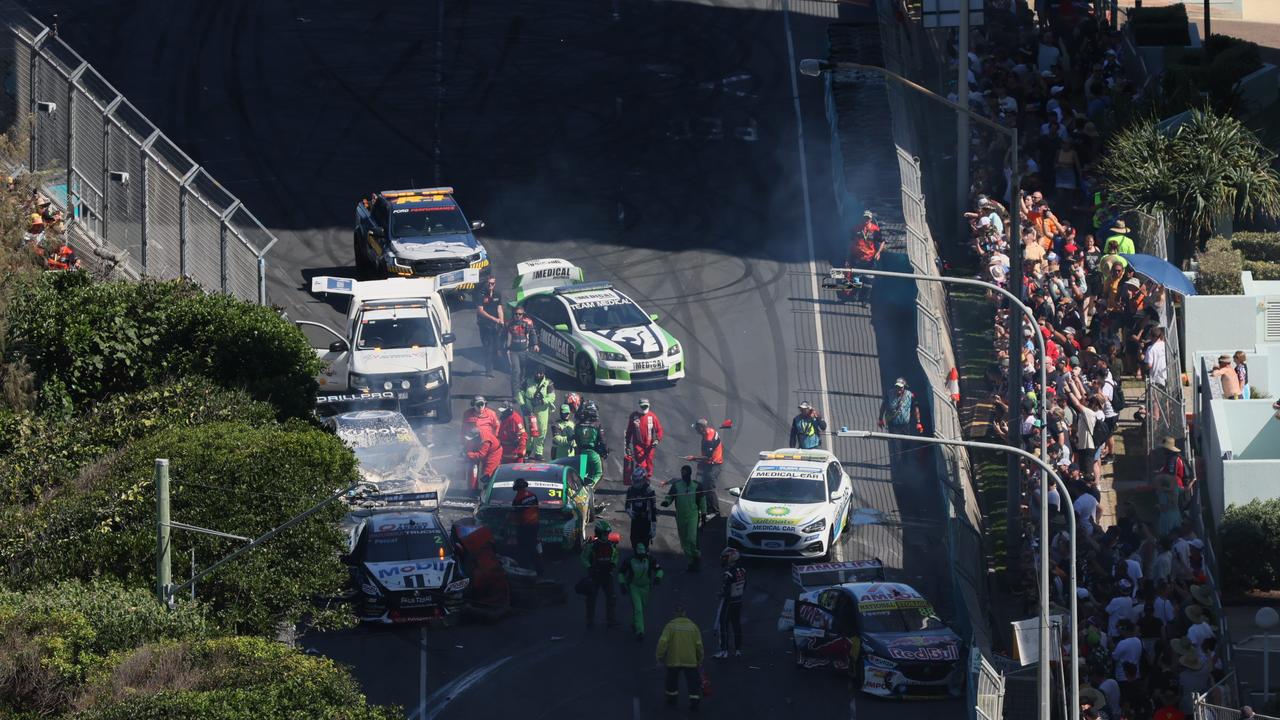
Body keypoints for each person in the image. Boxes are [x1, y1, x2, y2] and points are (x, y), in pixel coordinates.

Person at [656, 605, 704, 710]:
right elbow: (699, 645)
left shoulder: (670, 626)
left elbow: (663, 642)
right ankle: (694, 700)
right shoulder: (693, 626)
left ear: (675, 613)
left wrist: (659, 657)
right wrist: (700, 659)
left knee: (671, 680)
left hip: (674, 659)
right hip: (690, 659)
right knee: (692, 681)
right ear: (685, 613)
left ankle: (671, 699)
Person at [619, 542, 663, 640]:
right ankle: (640, 631)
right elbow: (621, 573)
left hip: (646, 587)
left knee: (641, 608)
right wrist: (622, 584)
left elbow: (659, 570)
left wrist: (658, 578)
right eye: (639, 555)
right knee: (638, 608)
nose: (641, 557)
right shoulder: (629, 560)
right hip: (633, 587)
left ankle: (634, 623)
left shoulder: (650, 559)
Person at [662, 465, 702, 571]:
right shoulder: (676, 486)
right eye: (682, 472)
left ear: (690, 473)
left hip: (693, 516)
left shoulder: (697, 486)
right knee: (684, 542)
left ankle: (696, 555)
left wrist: (703, 514)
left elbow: (702, 500)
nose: (683, 475)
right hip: (680, 517)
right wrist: (666, 502)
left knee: (691, 540)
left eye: (685, 473)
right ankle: (691, 562)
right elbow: (670, 496)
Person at [580, 520, 619, 628]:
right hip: (595, 576)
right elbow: (583, 558)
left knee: (611, 598)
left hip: (607, 575)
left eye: (607, 534)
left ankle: (611, 620)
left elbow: (615, 556)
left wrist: (613, 564)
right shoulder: (591, 546)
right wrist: (590, 567)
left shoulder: (611, 545)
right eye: (604, 534)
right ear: (598, 533)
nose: (606, 536)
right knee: (591, 599)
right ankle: (590, 620)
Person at [713, 547, 746, 659]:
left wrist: (721, 593)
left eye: (725, 558)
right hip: (739, 601)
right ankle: (738, 649)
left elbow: (726, 590)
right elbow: (744, 585)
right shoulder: (743, 571)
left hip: (728, 602)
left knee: (723, 624)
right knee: (736, 624)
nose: (723, 560)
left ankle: (724, 650)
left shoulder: (728, 574)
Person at [516, 368, 556, 460]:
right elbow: (520, 393)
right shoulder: (527, 381)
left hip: (542, 411)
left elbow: (552, 397)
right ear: (534, 372)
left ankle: (538, 452)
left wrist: (542, 401)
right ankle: (528, 450)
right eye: (537, 372)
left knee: (541, 431)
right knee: (529, 430)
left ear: (543, 373)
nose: (538, 375)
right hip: (529, 409)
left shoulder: (549, 383)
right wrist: (522, 405)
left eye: (540, 373)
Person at [844, 210, 883, 300]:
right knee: (856, 277)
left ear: (870, 219)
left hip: (870, 259)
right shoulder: (855, 228)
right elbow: (850, 242)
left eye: (868, 218)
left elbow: (882, 241)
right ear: (862, 218)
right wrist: (848, 256)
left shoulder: (875, 229)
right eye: (865, 218)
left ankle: (864, 299)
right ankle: (854, 294)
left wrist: (878, 252)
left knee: (869, 281)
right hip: (857, 258)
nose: (866, 220)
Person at [691, 419, 724, 522]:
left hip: (714, 465)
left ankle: (715, 512)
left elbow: (707, 457)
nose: (696, 430)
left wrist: (693, 458)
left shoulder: (709, 440)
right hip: (709, 464)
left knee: (709, 487)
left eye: (697, 428)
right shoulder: (709, 431)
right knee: (702, 485)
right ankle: (706, 508)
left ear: (701, 428)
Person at [624, 398, 664, 483]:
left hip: (650, 445)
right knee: (640, 463)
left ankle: (647, 478)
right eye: (642, 406)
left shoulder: (652, 416)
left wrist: (657, 440)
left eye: (645, 406)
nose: (644, 408)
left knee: (649, 463)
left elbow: (659, 429)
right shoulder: (634, 416)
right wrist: (627, 442)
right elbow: (629, 430)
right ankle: (639, 479)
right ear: (638, 406)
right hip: (638, 445)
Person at [504, 306, 539, 398]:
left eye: (520, 314)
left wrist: (535, 344)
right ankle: (515, 395)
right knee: (516, 371)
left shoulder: (528, 323)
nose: (518, 316)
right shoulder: (508, 323)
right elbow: (502, 336)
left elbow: (533, 333)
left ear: (523, 315)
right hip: (513, 351)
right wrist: (500, 349)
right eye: (516, 314)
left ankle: (522, 391)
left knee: (524, 373)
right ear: (513, 314)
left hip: (525, 350)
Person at [510, 478, 543, 574]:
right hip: (535, 525)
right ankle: (537, 567)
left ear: (516, 488)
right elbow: (536, 509)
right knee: (533, 546)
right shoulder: (533, 495)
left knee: (525, 548)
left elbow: (516, 515)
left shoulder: (517, 499)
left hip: (524, 527)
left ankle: (528, 568)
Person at [475, 276, 505, 377]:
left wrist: (501, 320)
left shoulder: (497, 294)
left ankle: (494, 364)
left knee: (497, 346)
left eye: (492, 283)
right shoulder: (481, 294)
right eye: (489, 283)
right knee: (488, 348)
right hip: (485, 325)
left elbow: (499, 307)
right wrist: (493, 319)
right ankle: (489, 370)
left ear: (495, 284)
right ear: (486, 283)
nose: (490, 285)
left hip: (495, 324)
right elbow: (480, 310)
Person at [573, 400, 608, 486]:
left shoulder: (578, 425)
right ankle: (590, 489)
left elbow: (576, 440)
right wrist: (605, 452)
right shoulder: (597, 425)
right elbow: (603, 441)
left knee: (581, 476)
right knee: (598, 474)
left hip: (581, 454)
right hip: (593, 453)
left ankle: (581, 492)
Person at [625, 466, 658, 549]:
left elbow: (653, 509)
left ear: (643, 480)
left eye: (638, 481)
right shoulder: (630, 490)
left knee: (645, 542)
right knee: (633, 540)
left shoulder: (649, 491)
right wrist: (628, 510)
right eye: (634, 480)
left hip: (645, 520)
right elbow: (627, 504)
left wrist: (653, 527)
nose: (636, 483)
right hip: (635, 518)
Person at [463, 424, 502, 493]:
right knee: (482, 470)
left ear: (476, 436)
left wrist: (468, 454)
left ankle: (489, 492)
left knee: (487, 473)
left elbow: (481, 455)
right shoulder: (477, 432)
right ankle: (478, 489)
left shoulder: (485, 440)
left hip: (494, 453)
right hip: (485, 451)